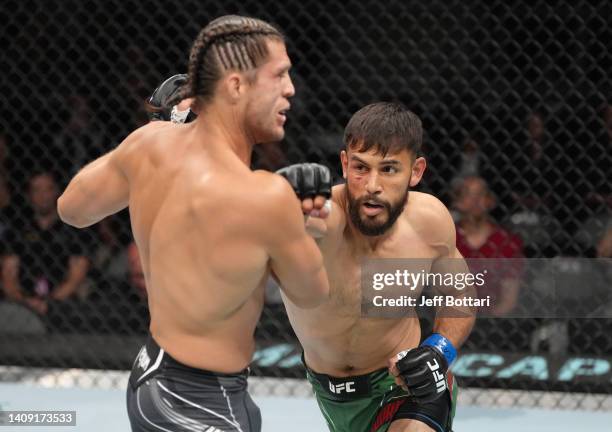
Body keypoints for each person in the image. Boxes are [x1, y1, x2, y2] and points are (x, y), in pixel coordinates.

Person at [57, 15, 329, 432]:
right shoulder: (264, 196)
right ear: (236, 86)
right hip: (192, 402)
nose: (291, 89)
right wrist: (305, 228)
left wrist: (162, 128)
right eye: (279, 75)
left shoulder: (150, 143)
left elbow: (72, 208)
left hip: (159, 374)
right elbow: (313, 293)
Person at [277, 102, 476, 432]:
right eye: (361, 168)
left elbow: (460, 295)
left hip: (405, 386)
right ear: (343, 163)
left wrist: (439, 352)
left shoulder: (429, 222)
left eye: (388, 169)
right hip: (332, 395)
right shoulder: (324, 218)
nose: (372, 185)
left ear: (416, 171)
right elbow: (292, 223)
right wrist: (283, 198)